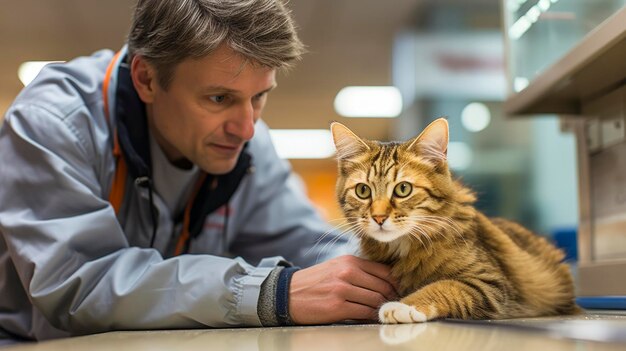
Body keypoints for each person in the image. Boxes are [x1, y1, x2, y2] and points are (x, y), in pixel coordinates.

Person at [0, 0, 397, 341]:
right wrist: (269, 292)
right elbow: (81, 284)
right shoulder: (53, 123)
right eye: (219, 97)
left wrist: (398, 267)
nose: (246, 127)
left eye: (259, 97)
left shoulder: (249, 144)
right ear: (146, 79)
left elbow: (312, 246)